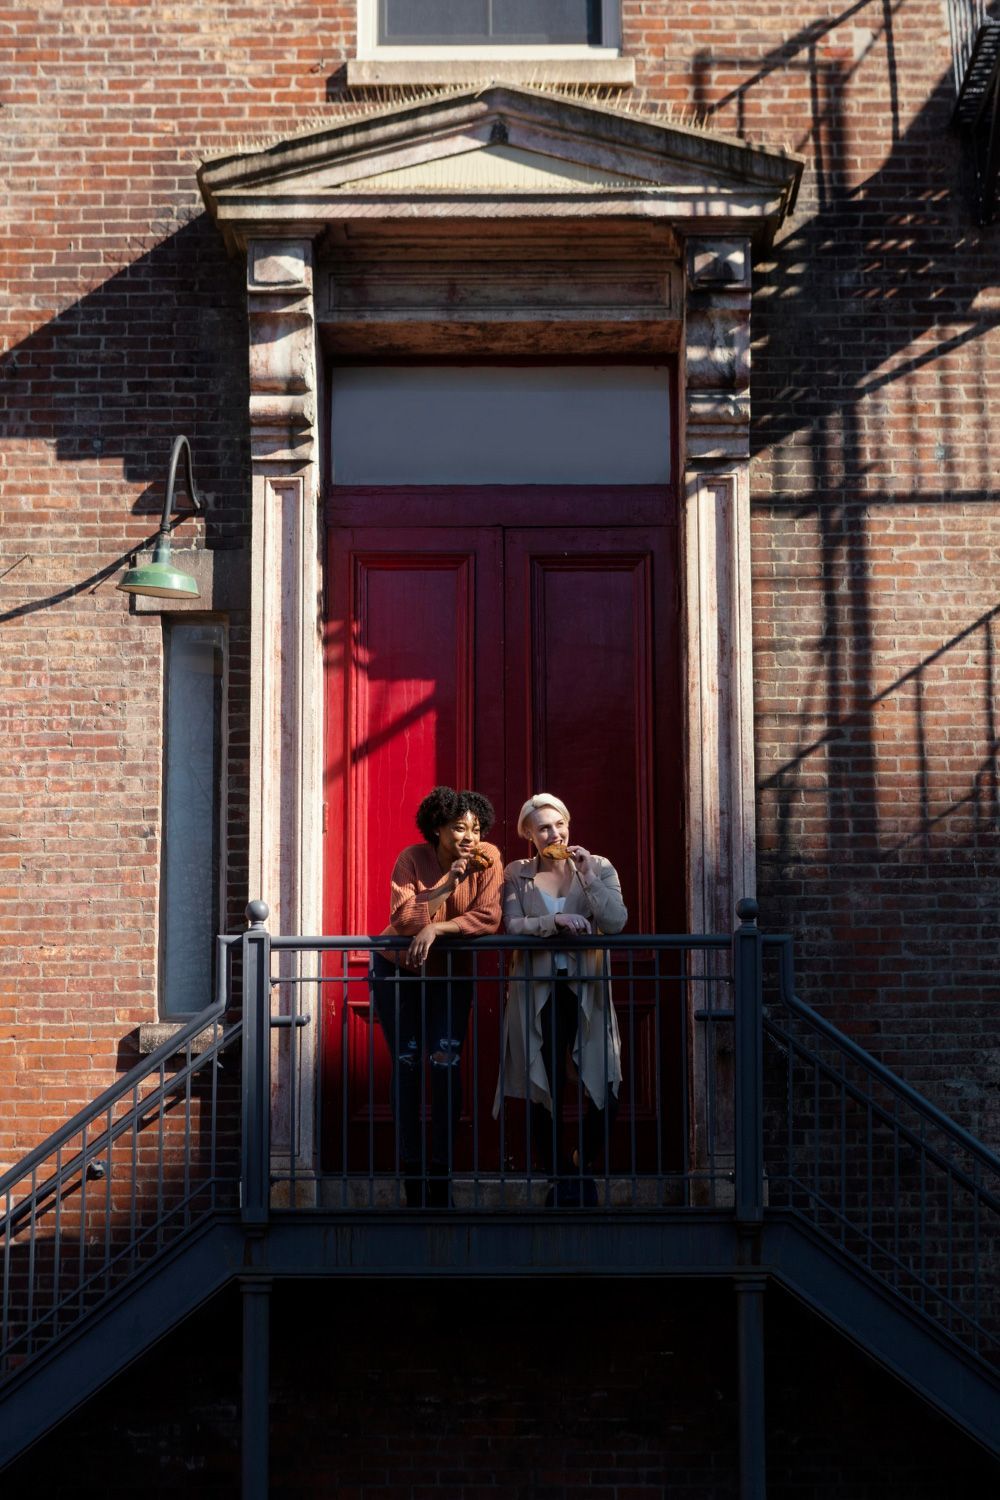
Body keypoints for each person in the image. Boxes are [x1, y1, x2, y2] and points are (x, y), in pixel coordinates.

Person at [371, 786, 502, 1207]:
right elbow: (404, 918)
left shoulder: (491, 859)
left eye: (476, 828)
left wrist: (437, 928)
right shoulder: (412, 858)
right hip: (397, 970)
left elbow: (489, 917)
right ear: (438, 828)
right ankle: (413, 1177)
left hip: (450, 976)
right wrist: (450, 882)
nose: (469, 836)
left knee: (445, 1064)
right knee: (407, 1064)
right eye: (459, 827)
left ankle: (442, 1177)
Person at [494, 793, 627, 1206]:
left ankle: (579, 1159)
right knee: (544, 1082)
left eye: (559, 824)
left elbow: (615, 921)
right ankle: (561, 1177)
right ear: (530, 836)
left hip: (587, 990)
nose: (555, 833)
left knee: (606, 1080)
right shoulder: (517, 873)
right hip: (536, 992)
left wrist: (585, 875)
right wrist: (553, 922)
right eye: (544, 828)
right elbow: (513, 924)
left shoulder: (599, 866)